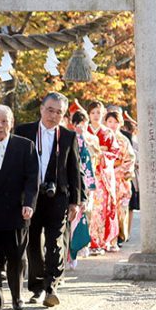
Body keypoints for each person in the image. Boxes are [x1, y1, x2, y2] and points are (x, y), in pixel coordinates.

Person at [16, 92, 82, 307]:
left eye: (59, 112)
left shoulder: (68, 136)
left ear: (64, 116)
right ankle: (36, 287)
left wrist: (76, 201)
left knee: (55, 242)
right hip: (31, 198)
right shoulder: (24, 132)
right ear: (41, 109)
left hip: (58, 196)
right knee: (33, 242)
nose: (53, 115)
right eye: (50, 110)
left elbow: (74, 170)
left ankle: (52, 285)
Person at [0, 106, 38, 310]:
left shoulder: (25, 146)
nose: (0, 126)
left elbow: (32, 180)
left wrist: (29, 203)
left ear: (11, 123)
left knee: (17, 258)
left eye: (4, 121)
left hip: (17, 212)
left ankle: (17, 295)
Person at [85, 101, 120, 254]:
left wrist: (100, 154)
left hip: (101, 176)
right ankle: (86, 242)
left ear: (103, 114)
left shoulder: (108, 133)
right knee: (87, 209)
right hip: (86, 174)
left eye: (98, 113)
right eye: (93, 113)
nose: (96, 116)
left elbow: (115, 152)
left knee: (99, 210)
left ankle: (98, 242)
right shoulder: (84, 131)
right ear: (88, 114)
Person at [68, 110, 98, 264]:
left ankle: (81, 246)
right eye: (78, 124)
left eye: (84, 123)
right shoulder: (69, 137)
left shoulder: (91, 139)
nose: (81, 127)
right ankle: (71, 251)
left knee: (85, 214)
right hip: (74, 182)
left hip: (85, 180)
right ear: (73, 125)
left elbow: (93, 159)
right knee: (73, 216)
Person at [105, 110, 136, 249]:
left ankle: (118, 237)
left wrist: (116, 171)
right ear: (105, 122)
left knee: (120, 210)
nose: (112, 125)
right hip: (105, 178)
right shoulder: (101, 137)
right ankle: (104, 238)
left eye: (116, 122)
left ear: (121, 124)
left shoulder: (124, 141)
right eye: (110, 121)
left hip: (120, 181)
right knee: (104, 209)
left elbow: (130, 160)